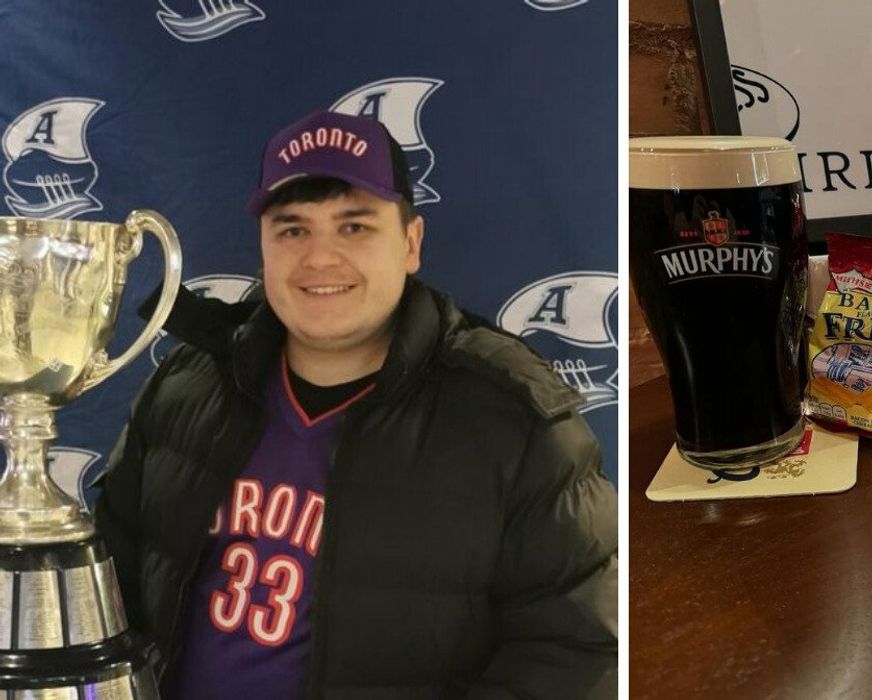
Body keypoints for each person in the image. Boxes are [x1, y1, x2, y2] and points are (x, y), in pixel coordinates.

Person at [93, 111, 618, 699]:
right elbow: (107, 600)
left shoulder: (515, 418)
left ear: (411, 243)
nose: (320, 259)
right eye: (292, 229)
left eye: (354, 227)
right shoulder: (183, 388)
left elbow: (580, 649)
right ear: (263, 247)